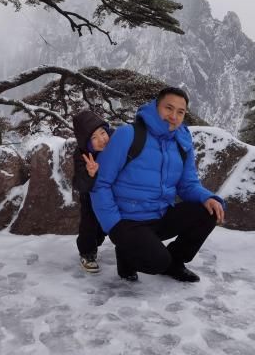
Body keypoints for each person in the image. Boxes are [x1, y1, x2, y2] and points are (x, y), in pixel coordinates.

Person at [90, 87, 226, 283]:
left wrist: (207, 197)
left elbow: (187, 184)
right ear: (156, 107)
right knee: (156, 262)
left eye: (180, 112)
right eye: (168, 108)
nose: (174, 116)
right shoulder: (128, 135)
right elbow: (100, 182)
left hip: (161, 215)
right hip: (129, 220)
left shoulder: (182, 141)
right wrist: (114, 225)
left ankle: (175, 262)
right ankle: (127, 252)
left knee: (210, 211)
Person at [72, 109, 112, 274]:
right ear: (86, 142)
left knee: (104, 227)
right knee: (90, 224)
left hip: (111, 194)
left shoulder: (115, 143)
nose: (101, 140)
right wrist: (90, 173)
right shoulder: (82, 154)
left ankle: (97, 242)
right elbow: (78, 183)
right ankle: (87, 253)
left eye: (103, 133)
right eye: (94, 138)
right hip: (90, 196)